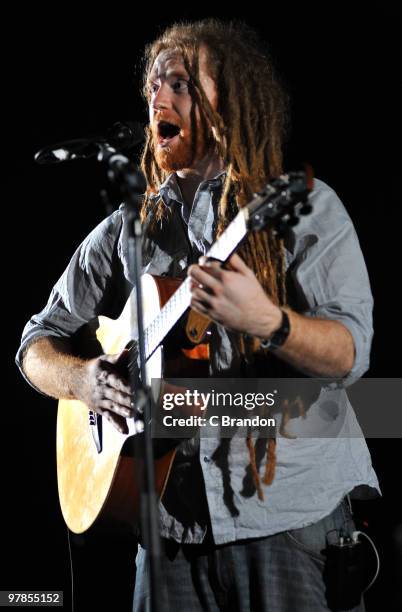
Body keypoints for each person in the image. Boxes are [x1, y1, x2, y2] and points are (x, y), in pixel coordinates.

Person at [17, 19, 380, 612]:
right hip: (169, 536)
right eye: (153, 86)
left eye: (180, 84)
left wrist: (270, 322)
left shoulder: (305, 208)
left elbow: (352, 354)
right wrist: (86, 381)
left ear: (232, 102)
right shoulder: (127, 232)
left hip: (285, 520)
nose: (158, 98)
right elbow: (36, 344)